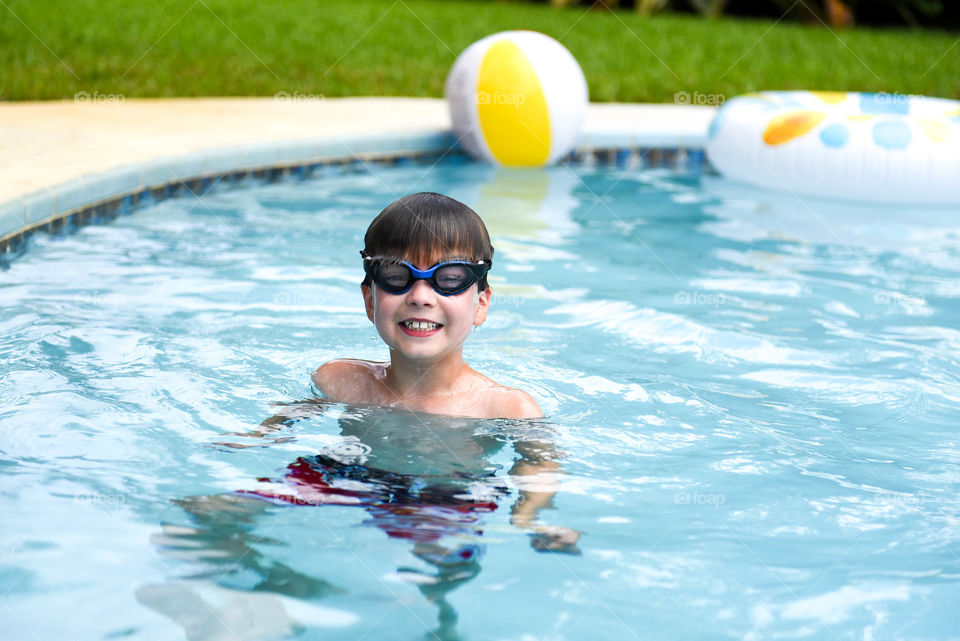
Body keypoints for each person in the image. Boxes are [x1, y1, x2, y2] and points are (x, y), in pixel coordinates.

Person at [312, 191, 543, 420]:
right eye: (395, 276)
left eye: (450, 278)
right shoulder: (339, 383)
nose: (420, 297)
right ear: (370, 302)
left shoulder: (507, 411)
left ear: (480, 305)